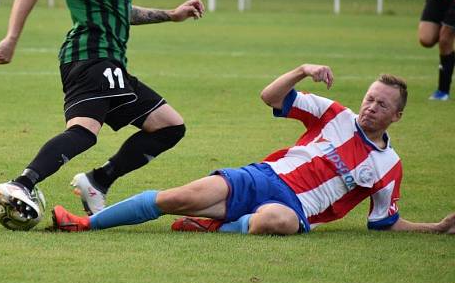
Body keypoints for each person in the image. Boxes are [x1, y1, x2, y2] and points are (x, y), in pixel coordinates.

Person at [0, 0, 205, 228]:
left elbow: (123, 12)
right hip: (90, 58)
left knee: (170, 126)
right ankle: (21, 184)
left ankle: (99, 180)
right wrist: (12, 37)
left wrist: (172, 14)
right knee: (84, 132)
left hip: (108, 62)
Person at [52, 63, 455, 235]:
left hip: (294, 209)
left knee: (273, 222)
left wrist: (435, 228)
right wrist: (302, 70)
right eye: (370, 97)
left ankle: (214, 226)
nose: (370, 106)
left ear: (397, 117)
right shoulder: (335, 113)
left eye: (382, 104)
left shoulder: (389, 166)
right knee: (174, 198)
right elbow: (270, 96)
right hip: (262, 176)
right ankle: (86, 224)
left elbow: (385, 223)